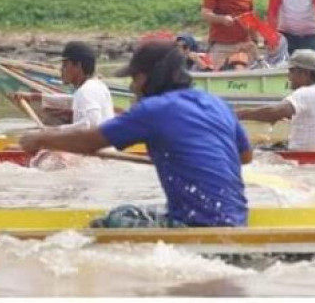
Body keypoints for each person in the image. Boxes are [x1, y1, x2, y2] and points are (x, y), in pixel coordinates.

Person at [19, 40, 253, 228]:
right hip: (237, 220)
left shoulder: (153, 110)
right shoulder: (216, 104)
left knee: (110, 221)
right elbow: (245, 157)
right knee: (133, 211)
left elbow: (90, 143)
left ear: (153, 77)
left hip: (197, 224)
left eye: (135, 78)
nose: (132, 87)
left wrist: (40, 138)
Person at [9, 41, 115, 168]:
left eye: (65, 65)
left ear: (78, 66)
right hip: (103, 152)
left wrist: (53, 132)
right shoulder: (96, 86)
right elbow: (73, 101)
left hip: (96, 156)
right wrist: (35, 97)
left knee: (45, 160)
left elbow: (91, 125)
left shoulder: (87, 90)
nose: (61, 69)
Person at [236, 49, 315, 151]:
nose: (289, 76)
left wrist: (239, 114)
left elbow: (273, 113)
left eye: (292, 72)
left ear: (305, 74)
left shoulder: (305, 93)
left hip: (305, 156)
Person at [201, 0, 258, 70]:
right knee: (214, 75)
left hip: (244, 44)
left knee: (250, 75)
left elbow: (252, 18)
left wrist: (255, 40)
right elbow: (205, 13)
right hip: (222, 45)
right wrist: (222, 19)